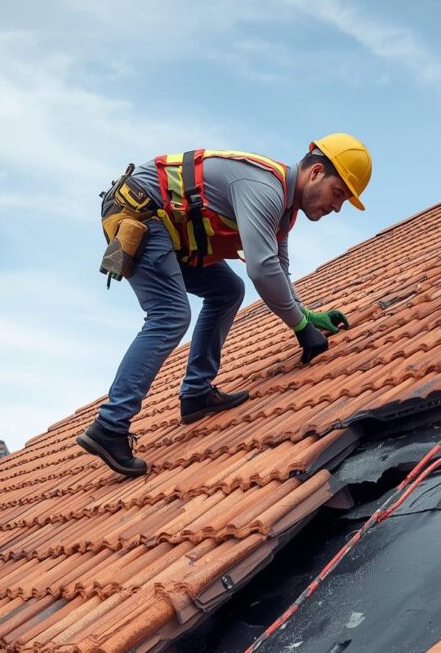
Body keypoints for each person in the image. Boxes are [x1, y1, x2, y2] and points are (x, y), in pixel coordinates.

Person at [76, 133, 372, 477]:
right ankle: (110, 425)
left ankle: (196, 393)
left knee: (227, 289)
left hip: (168, 232)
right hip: (141, 214)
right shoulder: (264, 188)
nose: (336, 207)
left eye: (344, 202)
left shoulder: (283, 213)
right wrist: (300, 328)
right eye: (338, 194)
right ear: (316, 172)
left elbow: (278, 270)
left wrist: (306, 316)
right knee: (170, 314)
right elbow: (261, 270)